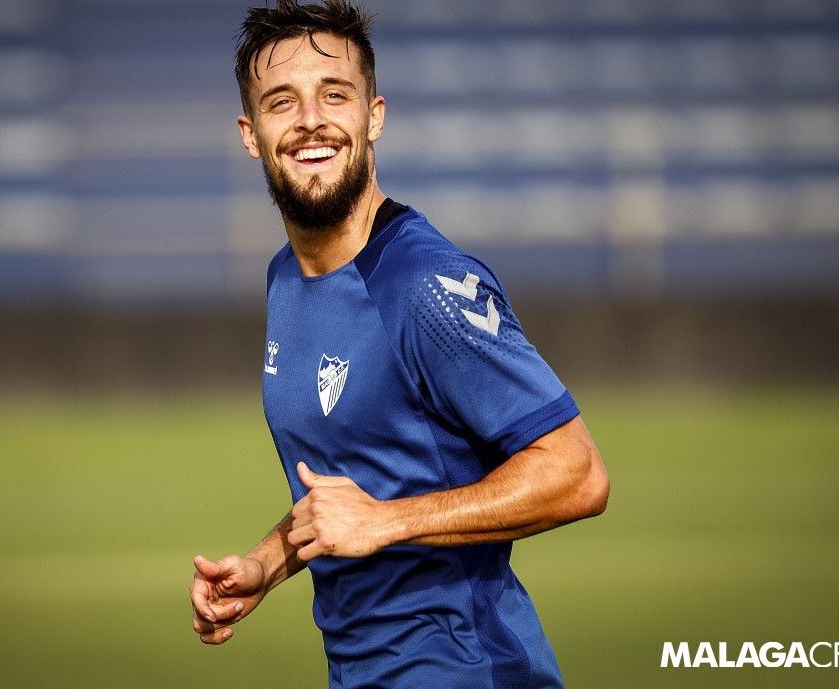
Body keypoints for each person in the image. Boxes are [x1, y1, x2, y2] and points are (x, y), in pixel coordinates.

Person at [191, 2, 610, 687]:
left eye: (335, 95)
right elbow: (349, 485)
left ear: (374, 116)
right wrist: (266, 563)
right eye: (281, 102)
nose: (310, 120)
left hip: (466, 671)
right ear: (250, 133)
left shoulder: (426, 284)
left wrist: (387, 521)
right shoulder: (285, 278)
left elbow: (578, 473)